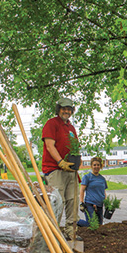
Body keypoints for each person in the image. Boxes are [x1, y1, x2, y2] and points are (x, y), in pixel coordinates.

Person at [42, 97, 82, 240]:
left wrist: (78, 160)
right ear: (58, 109)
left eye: (69, 109)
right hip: (55, 169)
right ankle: (54, 233)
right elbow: (49, 145)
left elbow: (74, 147)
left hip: (70, 171)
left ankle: (71, 231)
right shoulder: (52, 124)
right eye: (64, 108)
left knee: (72, 200)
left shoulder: (71, 128)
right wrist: (60, 162)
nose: (66, 111)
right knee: (57, 201)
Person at [77, 157, 107, 227]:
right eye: (94, 165)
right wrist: (82, 202)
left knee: (99, 225)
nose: (96, 167)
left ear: (100, 166)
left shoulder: (102, 179)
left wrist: (106, 202)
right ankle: (77, 221)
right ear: (91, 166)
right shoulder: (87, 177)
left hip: (100, 204)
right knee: (91, 224)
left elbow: (104, 191)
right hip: (89, 204)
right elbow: (82, 190)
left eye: (98, 165)